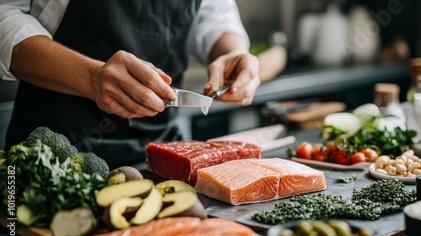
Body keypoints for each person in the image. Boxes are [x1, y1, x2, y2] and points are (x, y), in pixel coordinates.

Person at [0, 0, 260, 169]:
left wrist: (233, 51)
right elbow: (5, 14)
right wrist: (90, 76)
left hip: (160, 153)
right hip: (50, 157)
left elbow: (214, 12)